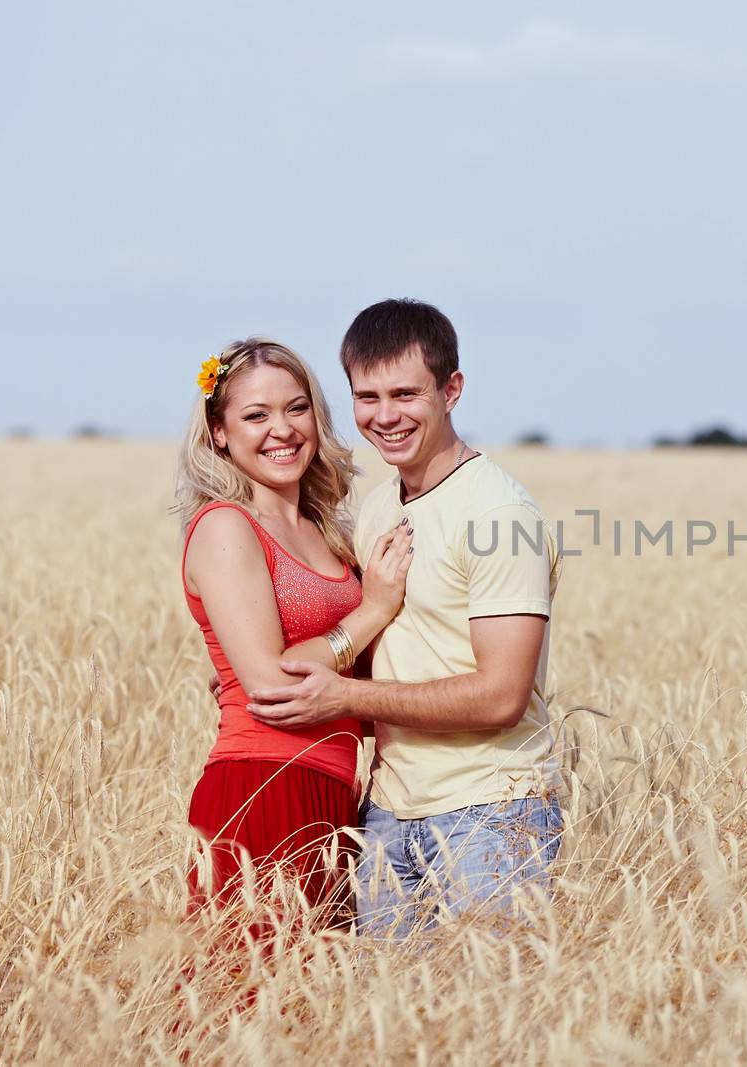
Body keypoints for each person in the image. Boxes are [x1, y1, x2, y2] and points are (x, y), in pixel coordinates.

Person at [245, 300, 562, 937]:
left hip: (489, 815)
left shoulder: (499, 517)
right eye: (368, 396)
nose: (385, 416)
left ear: (451, 390)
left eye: (405, 394)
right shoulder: (379, 505)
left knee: (493, 1025)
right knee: (389, 1029)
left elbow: (502, 696)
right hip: (386, 814)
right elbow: (376, 641)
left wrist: (340, 697)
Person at [174, 337, 413, 935]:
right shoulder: (227, 526)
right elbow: (270, 684)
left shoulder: (324, 528)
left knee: (315, 1014)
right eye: (255, 415)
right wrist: (373, 609)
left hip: (334, 794)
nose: (281, 429)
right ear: (219, 433)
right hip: (262, 787)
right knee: (249, 1004)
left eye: (296, 407)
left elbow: (341, 671)